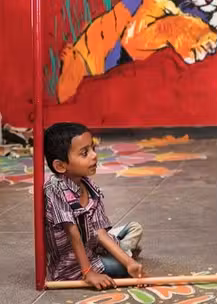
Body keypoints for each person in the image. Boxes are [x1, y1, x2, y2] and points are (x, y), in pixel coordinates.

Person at [43, 122, 144, 289]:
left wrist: (130, 263)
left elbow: (100, 232)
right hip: (73, 264)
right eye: (84, 153)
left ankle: (124, 253)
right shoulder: (55, 189)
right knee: (119, 267)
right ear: (60, 166)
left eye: (92, 149)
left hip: (92, 245)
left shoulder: (89, 185)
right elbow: (72, 232)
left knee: (135, 228)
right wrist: (88, 272)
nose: (94, 156)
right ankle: (122, 252)